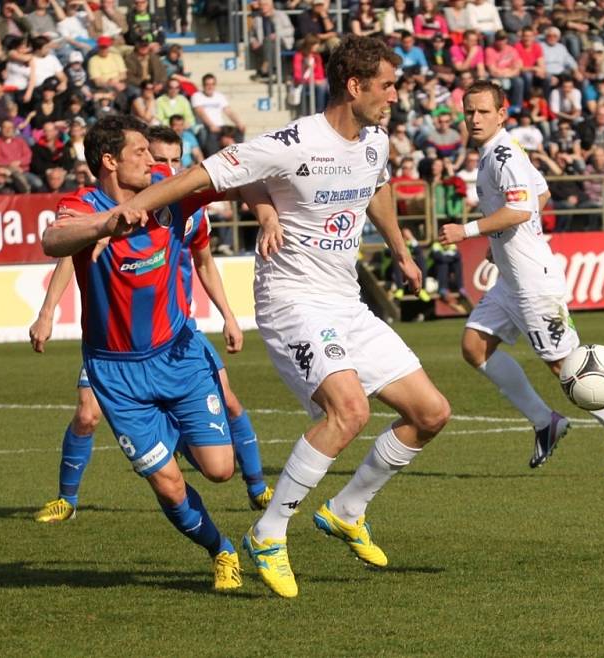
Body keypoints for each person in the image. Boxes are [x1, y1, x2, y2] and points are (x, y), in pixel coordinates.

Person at [102, 35, 451, 599]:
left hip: (344, 301)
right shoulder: (292, 142)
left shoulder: (375, 142)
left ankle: (347, 509)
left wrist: (401, 249)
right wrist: (138, 205)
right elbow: (207, 175)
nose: (394, 95)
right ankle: (269, 532)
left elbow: (377, 188)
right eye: (387, 85)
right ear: (354, 85)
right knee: (349, 411)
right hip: (292, 299)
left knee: (431, 413)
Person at [40, 115, 255, 592]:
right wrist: (105, 225)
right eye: (141, 152)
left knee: (220, 471)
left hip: (177, 356)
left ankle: (189, 439)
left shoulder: (171, 190)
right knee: (170, 485)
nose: (153, 159)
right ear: (110, 161)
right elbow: (52, 240)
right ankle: (221, 549)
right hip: (115, 373)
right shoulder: (81, 204)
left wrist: (272, 213)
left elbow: (243, 178)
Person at [438, 81, 604, 479]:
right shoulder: (498, 153)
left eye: (483, 111)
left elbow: (521, 209)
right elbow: (539, 195)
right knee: (474, 346)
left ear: (502, 114)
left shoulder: (503, 154)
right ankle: (546, 422)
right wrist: (499, 237)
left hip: (534, 284)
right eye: (469, 111)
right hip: (511, 279)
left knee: (569, 369)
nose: (474, 118)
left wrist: (470, 231)